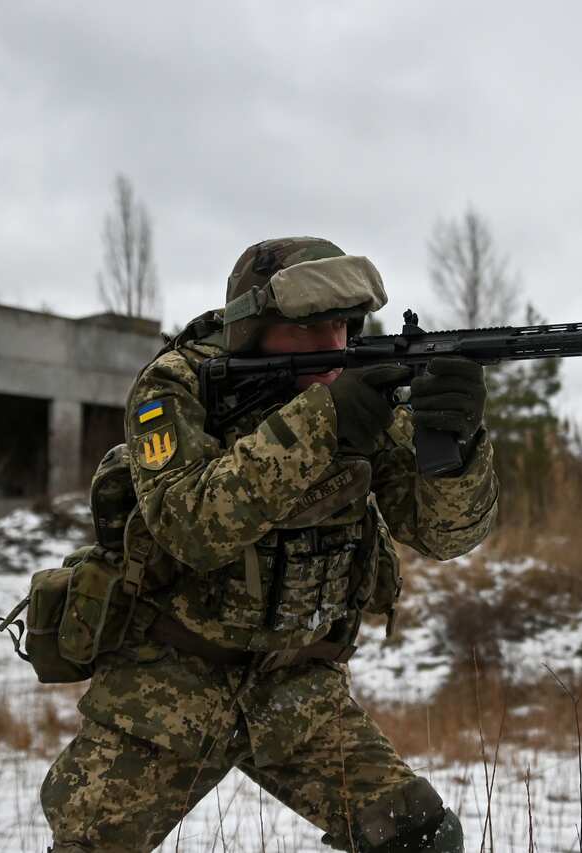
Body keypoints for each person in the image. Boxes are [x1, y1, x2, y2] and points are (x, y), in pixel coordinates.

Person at [41, 237, 498, 852]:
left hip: (298, 690)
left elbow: (444, 536)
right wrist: (323, 422)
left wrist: (457, 449)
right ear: (255, 326)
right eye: (309, 328)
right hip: (171, 686)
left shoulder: (359, 386)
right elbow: (190, 525)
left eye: (341, 324)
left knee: (420, 839)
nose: (332, 346)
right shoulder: (177, 386)